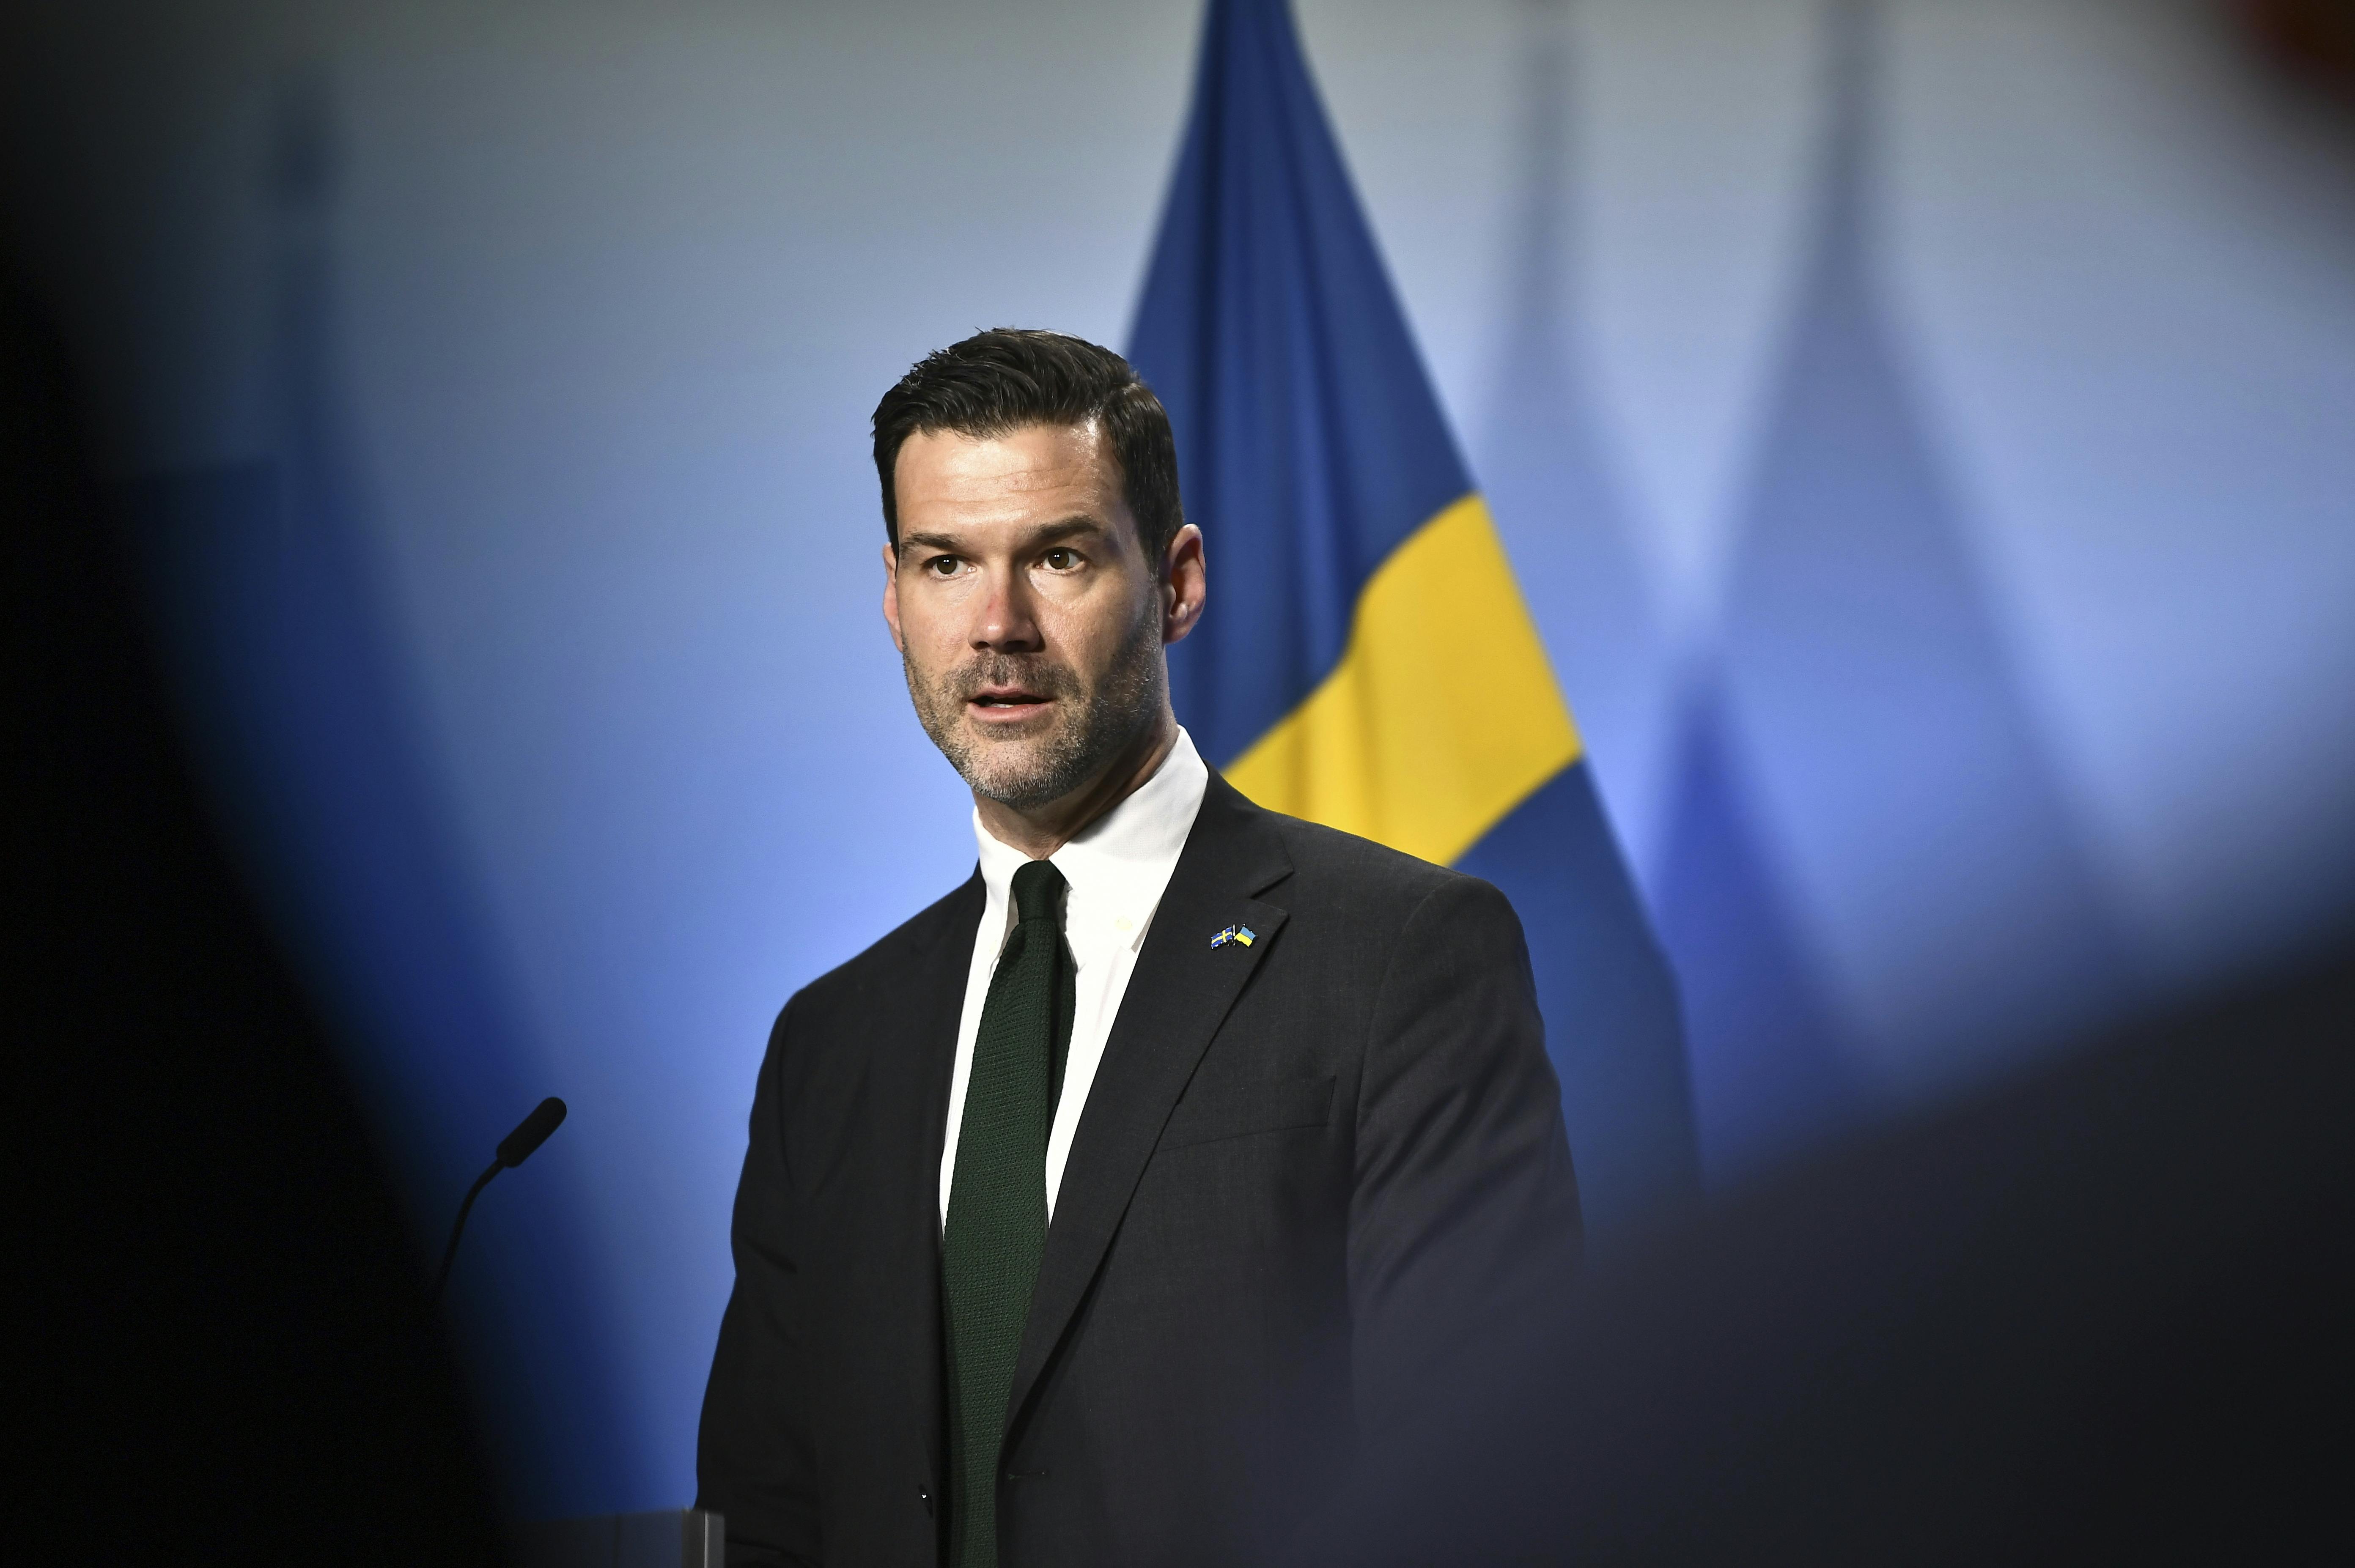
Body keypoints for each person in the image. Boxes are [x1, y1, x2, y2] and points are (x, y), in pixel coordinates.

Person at [695, 329, 1582, 1568]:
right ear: (894, 598)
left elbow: (1481, 1481)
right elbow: (767, 1519)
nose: (998, 625)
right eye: (947, 563)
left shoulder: (1400, 960)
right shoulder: (830, 1045)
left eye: (1058, 556)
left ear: (1177, 583)